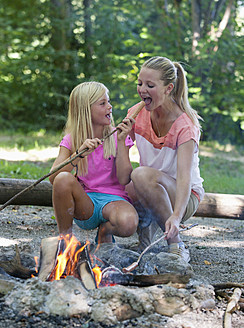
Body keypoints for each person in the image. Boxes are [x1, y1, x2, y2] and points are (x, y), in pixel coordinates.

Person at [126, 56, 204, 262]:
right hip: (152, 186)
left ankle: (176, 244)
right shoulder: (136, 113)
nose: (142, 89)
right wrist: (117, 138)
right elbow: (116, 154)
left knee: (141, 175)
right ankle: (142, 241)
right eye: (140, 83)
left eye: (150, 85)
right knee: (122, 186)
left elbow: (185, 178)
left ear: (168, 88)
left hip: (184, 196)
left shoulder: (185, 126)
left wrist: (177, 216)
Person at [49, 81, 138, 244]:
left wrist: (121, 141)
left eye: (109, 101)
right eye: (102, 103)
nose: (109, 107)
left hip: (114, 200)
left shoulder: (118, 137)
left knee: (128, 223)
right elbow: (53, 177)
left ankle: (105, 232)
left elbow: (125, 178)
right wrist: (78, 155)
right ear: (85, 110)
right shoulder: (72, 139)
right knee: (63, 179)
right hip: (86, 203)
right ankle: (65, 241)